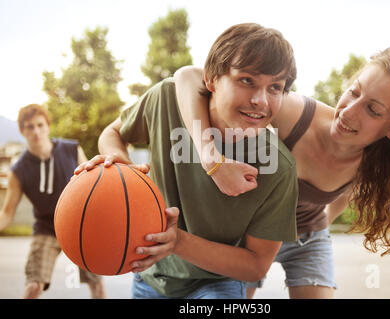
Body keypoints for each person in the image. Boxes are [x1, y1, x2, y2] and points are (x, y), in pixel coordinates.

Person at [173, 46, 390, 298]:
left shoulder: (374, 165)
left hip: (307, 236)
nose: (348, 112)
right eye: (353, 92)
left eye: (373, 110)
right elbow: (188, 76)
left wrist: (314, 227)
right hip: (247, 236)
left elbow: (339, 199)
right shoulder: (293, 115)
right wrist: (210, 156)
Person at [75, 23, 299, 299]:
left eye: (275, 87)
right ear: (211, 79)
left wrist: (178, 242)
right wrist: (123, 168)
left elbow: (255, 266)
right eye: (247, 80)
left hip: (217, 284)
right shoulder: (166, 99)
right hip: (149, 275)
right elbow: (112, 133)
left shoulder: (279, 166)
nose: (260, 100)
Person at [0, 104, 106, 299]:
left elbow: (92, 186)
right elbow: (7, 213)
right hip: (46, 228)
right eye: (29, 127)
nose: (36, 131)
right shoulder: (18, 171)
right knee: (33, 286)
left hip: (79, 225)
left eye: (40, 125)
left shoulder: (71, 149)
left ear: (48, 126)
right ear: (22, 130)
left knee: (97, 285)